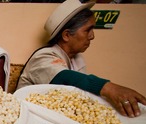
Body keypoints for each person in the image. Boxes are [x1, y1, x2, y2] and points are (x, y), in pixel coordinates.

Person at [16, 0, 146, 118]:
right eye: (87, 30)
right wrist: (109, 88)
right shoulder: (43, 57)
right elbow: (64, 77)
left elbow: (80, 91)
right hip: (30, 119)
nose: (92, 36)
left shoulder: (76, 58)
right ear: (66, 35)